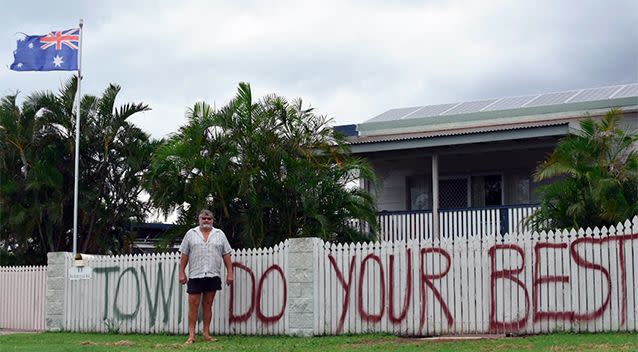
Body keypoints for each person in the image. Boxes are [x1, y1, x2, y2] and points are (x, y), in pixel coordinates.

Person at [179, 209, 233, 346]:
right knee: (193, 304)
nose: (206, 221)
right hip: (195, 274)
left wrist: (230, 273)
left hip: (213, 274)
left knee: (208, 304)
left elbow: (226, 254)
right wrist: (181, 272)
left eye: (209, 219)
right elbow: (184, 254)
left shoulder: (219, 234)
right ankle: (191, 336)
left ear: (212, 220)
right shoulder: (191, 234)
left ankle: (206, 334)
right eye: (204, 218)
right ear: (199, 219)